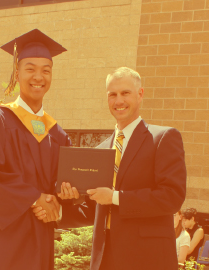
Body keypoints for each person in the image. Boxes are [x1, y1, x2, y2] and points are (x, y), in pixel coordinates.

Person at [47, 67, 187, 270]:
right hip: (105, 258)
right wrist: (58, 210)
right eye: (112, 95)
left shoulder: (163, 138)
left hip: (147, 259)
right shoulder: (101, 149)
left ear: (140, 94)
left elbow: (171, 197)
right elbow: (93, 209)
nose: (118, 101)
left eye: (125, 93)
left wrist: (114, 197)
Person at [0, 29, 71, 270]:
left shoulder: (57, 134)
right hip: (1, 239)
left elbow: (62, 186)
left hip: (40, 238)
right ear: (17, 73)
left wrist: (59, 203)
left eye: (46, 70)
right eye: (30, 68)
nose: (39, 76)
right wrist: (35, 198)